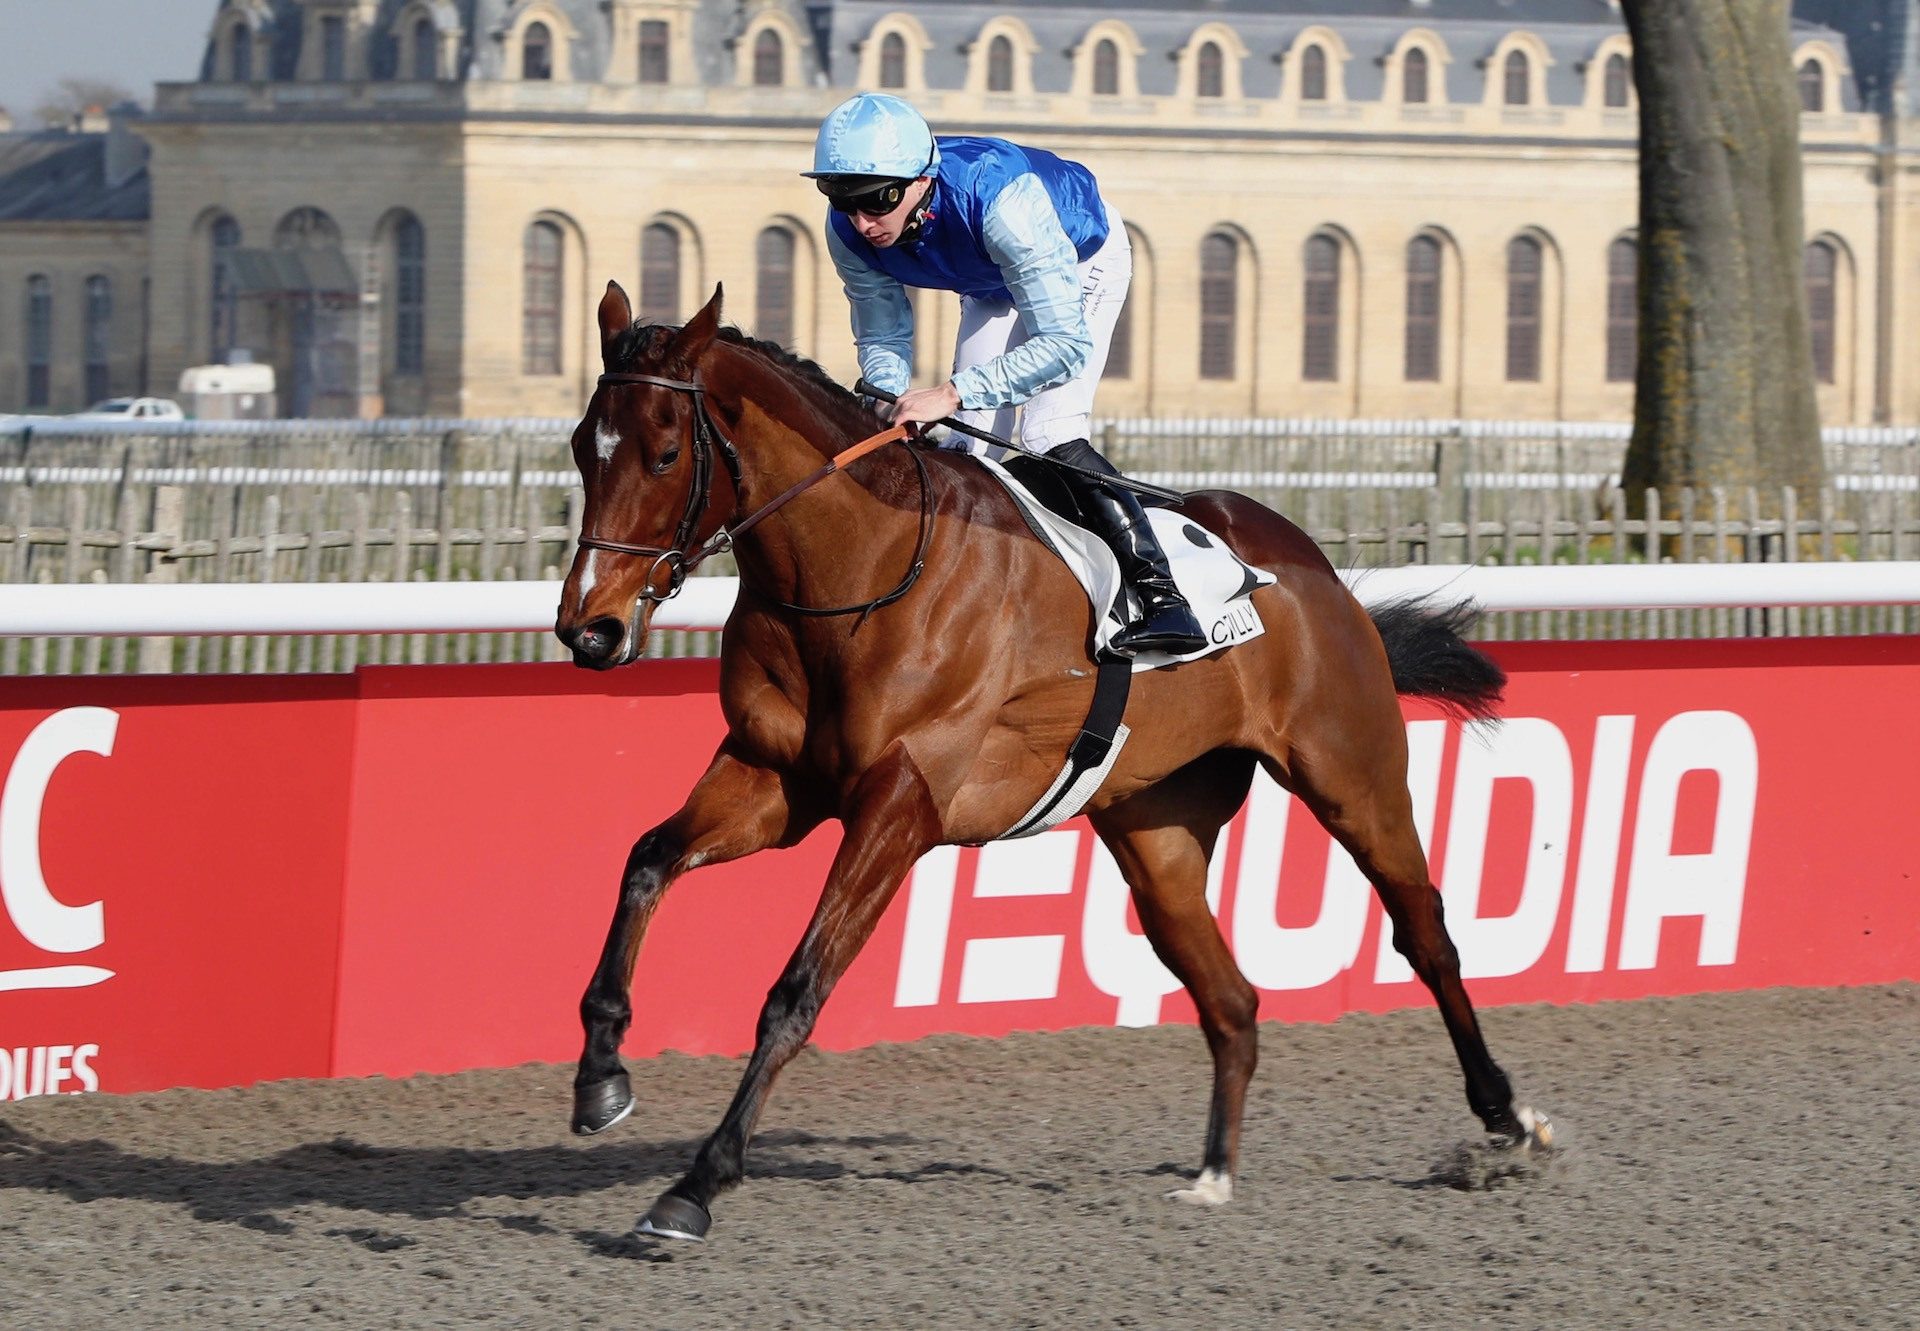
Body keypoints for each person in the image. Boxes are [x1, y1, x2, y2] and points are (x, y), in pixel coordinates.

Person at [804, 92, 1206, 657]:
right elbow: (883, 333)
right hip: (991, 280)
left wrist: (949, 391)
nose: (863, 223)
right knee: (966, 447)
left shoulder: (1000, 200)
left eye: (877, 202)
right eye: (844, 202)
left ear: (921, 181)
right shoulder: (847, 228)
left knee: (1047, 430)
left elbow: (1062, 344)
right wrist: (888, 398)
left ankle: (1165, 599)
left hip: (1076, 257)